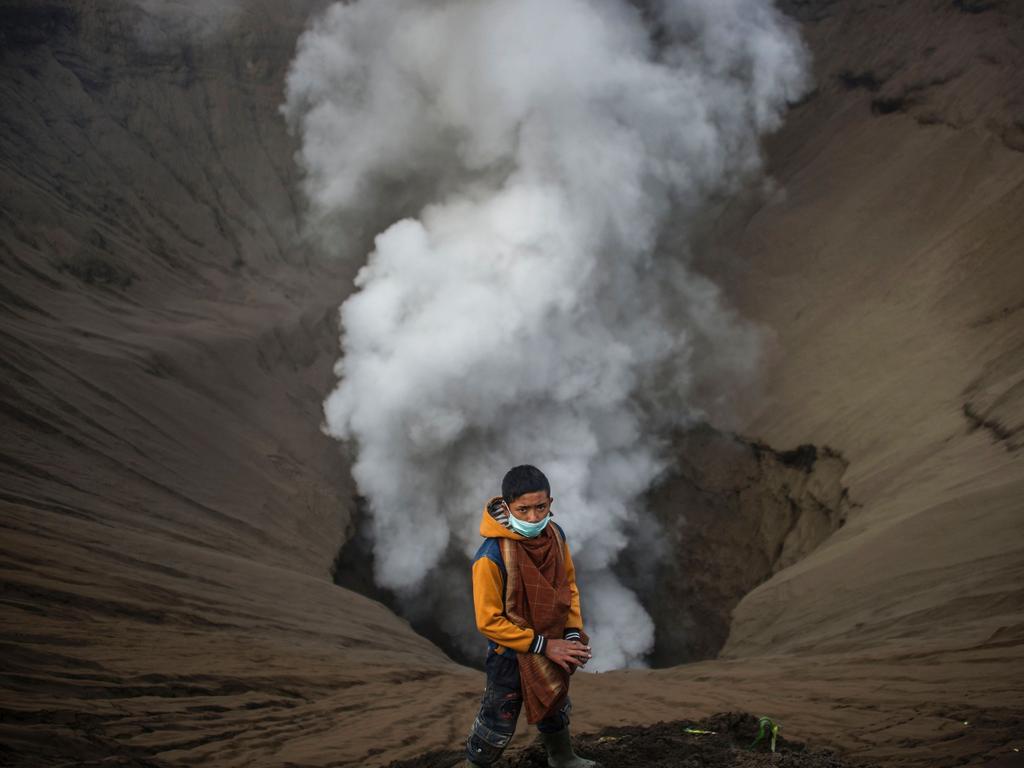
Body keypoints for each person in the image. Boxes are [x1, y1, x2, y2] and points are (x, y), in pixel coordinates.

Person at [461, 464, 601, 768]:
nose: (533, 517)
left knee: (554, 701)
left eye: (540, 507)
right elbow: (489, 621)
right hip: (509, 654)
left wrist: (572, 633)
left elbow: (568, 586)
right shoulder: (490, 557)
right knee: (498, 718)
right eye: (523, 509)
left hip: (552, 638)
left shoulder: (555, 536)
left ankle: (563, 758)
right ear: (507, 506)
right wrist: (543, 645)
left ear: (551, 503)